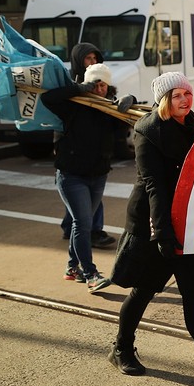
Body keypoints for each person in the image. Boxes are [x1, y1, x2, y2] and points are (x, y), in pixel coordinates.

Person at [108, 72, 194, 380]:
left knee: (193, 292)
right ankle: (121, 349)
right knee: (143, 290)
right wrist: (162, 234)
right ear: (164, 100)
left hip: (188, 221)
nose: (185, 99)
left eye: (187, 93)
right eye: (177, 95)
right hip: (154, 224)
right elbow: (154, 185)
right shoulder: (148, 131)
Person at [42, 63, 131, 293]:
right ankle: (91, 274)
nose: (99, 88)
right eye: (95, 84)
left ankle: (72, 268)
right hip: (71, 175)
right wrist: (79, 89)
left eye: (103, 84)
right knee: (83, 223)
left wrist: (126, 105)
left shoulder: (109, 108)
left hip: (98, 174)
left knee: (81, 223)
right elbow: (48, 99)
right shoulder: (73, 106)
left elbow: (121, 134)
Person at [58, 42, 115, 249]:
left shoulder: (103, 86)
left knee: (86, 199)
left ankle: (72, 227)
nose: (92, 63)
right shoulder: (70, 84)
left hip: (97, 158)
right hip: (73, 153)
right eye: (88, 59)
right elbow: (52, 99)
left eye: (95, 59)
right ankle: (92, 232)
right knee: (83, 198)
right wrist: (78, 90)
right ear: (78, 60)